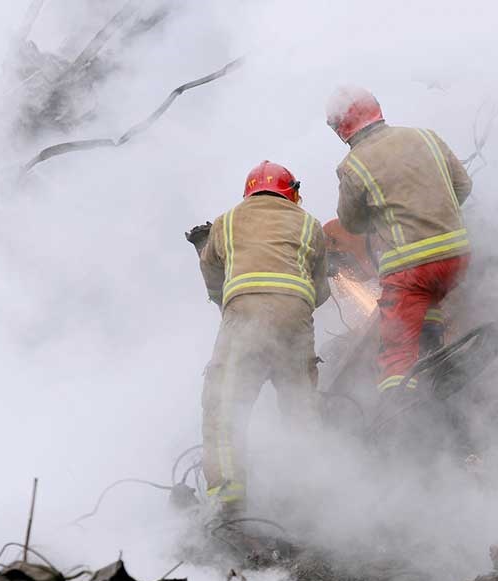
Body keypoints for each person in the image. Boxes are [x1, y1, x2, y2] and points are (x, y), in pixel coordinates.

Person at [197, 160, 330, 516]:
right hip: (296, 321)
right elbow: (322, 290)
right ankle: (313, 496)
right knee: (300, 407)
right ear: (292, 193)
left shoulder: (227, 221)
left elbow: (211, 271)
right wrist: (296, 305)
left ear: (248, 192)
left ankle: (229, 500)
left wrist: (225, 300)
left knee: (224, 405)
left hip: (245, 321)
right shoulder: (310, 224)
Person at [327, 86, 471, 395]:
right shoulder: (426, 137)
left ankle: (402, 423)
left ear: (341, 129)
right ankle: (443, 381)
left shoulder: (353, 165)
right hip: (456, 257)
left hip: (410, 269)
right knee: (425, 317)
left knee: (396, 352)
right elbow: (462, 186)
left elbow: (352, 223)